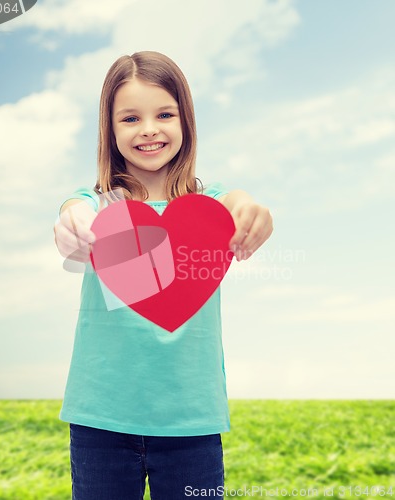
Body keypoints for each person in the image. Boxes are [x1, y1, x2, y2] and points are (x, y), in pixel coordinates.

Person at [54, 51, 273, 500]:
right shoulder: (100, 206)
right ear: (110, 131)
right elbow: (72, 212)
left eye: (164, 114)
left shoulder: (211, 206)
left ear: (185, 122)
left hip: (192, 422)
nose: (149, 128)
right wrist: (70, 226)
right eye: (130, 118)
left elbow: (239, 203)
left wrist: (251, 207)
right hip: (101, 421)